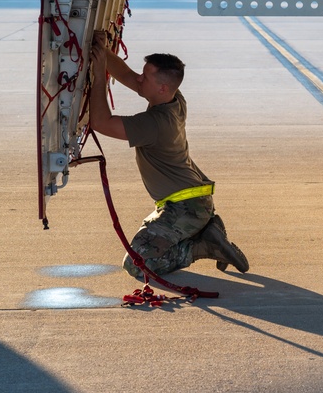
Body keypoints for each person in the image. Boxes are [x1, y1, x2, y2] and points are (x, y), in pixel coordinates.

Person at [88, 31, 249, 280]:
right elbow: (129, 77)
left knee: (137, 264)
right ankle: (205, 230)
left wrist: (99, 76)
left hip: (184, 208)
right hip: (191, 201)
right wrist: (103, 53)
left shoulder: (155, 124)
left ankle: (202, 246)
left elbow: (100, 121)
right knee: (144, 252)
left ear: (162, 87)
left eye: (146, 77)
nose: (139, 79)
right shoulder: (174, 99)